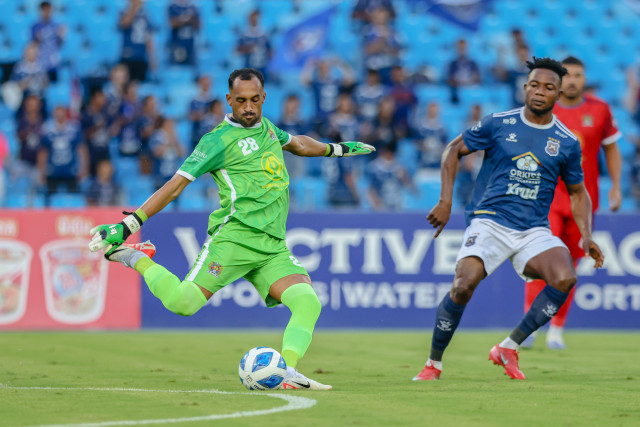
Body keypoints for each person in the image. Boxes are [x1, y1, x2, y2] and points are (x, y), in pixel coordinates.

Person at [88, 68, 374, 390]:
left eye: (254, 100)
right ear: (229, 99)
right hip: (234, 240)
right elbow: (175, 185)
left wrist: (336, 149)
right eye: (240, 101)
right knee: (182, 303)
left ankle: (288, 373)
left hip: (272, 247)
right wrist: (130, 223)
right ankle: (134, 257)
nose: (248, 107)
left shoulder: (268, 128)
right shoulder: (216, 141)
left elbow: (299, 144)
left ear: (263, 98)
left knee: (308, 302)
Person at [412, 57, 604, 382]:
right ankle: (434, 363)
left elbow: (578, 191)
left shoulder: (567, 142)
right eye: (534, 85)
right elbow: (453, 150)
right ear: (525, 87)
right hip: (489, 220)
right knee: (463, 286)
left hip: (533, 229)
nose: (539, 91)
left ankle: (508, 347)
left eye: (548, 87)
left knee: (565, 278)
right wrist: (445, 201)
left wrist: (586, 235)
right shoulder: (499, 123)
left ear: (558, 95)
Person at [521, 56, 622, 350]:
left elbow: (611, 149)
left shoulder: (600, 109)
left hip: (584, 200)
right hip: (547, 198)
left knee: (569, 267)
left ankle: (557, 328)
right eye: (569, 75)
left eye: (579, 75)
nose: (574, 80)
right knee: (541, 260)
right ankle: (530, 325)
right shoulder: (544, 108)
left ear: (585, 78)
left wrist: (616, 186)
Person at [118, 0, 154, 82]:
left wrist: (151, 58)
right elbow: (124, 24)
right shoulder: (124, 12)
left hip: (141, 57)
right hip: (127, 56)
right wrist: (134, 8)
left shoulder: (145, 15)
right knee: (124, 82)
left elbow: (148, 38)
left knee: (138, 84)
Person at [31, 1, 65, 82]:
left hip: (53, 62)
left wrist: (61, 36)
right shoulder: (35, 26)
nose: (47, 12)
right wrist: (37, 38)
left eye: (49, 10)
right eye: (44, 10)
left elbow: (59, 44)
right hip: (40, 62)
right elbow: (32, 45)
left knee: (54, 84)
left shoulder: (56, 26)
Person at [167, 0, 200, 66]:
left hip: (190, 45)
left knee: (191, 67)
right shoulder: (172, 7)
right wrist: (184, 19)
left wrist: (189, 19)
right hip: (177, 44)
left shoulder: (193, 7)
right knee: (176, 68)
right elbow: (171, 24)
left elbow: (198, 26)